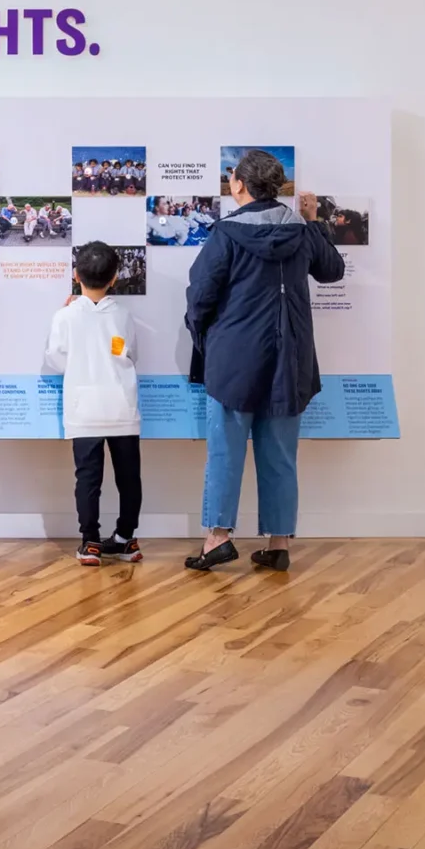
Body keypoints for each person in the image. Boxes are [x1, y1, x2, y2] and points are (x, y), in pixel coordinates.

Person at [184, 149, 344, 573]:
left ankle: (218, 539)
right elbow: (332, 271)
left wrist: (204, 336)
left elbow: (200, 295)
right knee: (280, 455)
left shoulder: (226, 233)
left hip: (234, 359)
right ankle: (278, 543)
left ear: (239, 184)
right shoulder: (301, 231)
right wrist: (313, 221)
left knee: (225, 452)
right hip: (289, 359)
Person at [50, 243, 143, 565]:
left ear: (76, 275)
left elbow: (56, 360)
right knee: (129, 477)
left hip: (84, 410)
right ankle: (126, 539)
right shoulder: (123, 315)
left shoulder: (64, 316)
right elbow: (131, 354)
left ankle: (90, 541)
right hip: (122, 406)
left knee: (88, 479)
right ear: (114, 278)